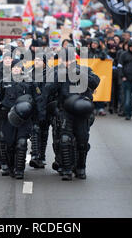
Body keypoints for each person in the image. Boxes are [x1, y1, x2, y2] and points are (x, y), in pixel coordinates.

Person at [39, 48, 101, 180]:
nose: (68, 62)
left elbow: (96, 82)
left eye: (70, 59)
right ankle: (66, 169)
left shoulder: (84, 69)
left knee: (82, 141)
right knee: (64, 139)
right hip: (64, 110)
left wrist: (81, 74)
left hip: (82, 111)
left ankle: (80, 168)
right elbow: (47, 90)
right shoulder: (56, 71)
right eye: (65, 60)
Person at [0, 60, 38, 179]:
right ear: (10, 69)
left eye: (18, 67)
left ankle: (19, 170)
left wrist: (37, 118)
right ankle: (10, 167)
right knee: (9, 145)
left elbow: (37, 100)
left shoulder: (29, 82)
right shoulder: (4, 82)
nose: (16, 69)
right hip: (7, 118)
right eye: (14, 67)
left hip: (24, 119)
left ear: (22, 69)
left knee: (21, 143)